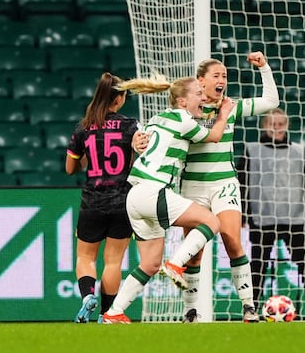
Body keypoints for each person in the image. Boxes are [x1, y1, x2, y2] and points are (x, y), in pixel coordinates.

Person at [101, 74, 235, 324]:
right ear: (183, 102)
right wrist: (224, 112)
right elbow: (214, 136)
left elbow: (144, 145)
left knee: (150, 264)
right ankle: (176, 264)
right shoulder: (183, 119)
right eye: (198, 93)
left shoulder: (157, 119)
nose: (203, 97)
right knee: (211, 222)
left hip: (135, 195)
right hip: (154, 190)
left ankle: (113, 312)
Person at [178, 51, 280, 323]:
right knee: (194, 251)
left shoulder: (231, 106)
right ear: (201, 80)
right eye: (216, 75)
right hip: (193, 187)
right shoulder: (188, 110)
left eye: (224, 75)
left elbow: (271, 101)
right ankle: (190, 310)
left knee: (233, 240)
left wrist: (264, 68)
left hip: (224, 184)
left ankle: (248, 306)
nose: (222, 79)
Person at [66, 72, 149, 323]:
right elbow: (137, 161)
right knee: (113, 262)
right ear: (120, 98)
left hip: (92, 200)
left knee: (85, 257)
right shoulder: (131, 125)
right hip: (122, 200)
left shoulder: (84, 127)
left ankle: (87, 296)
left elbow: (71, 168)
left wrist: (87, 159)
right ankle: (107, 313)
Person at [236, 108, 305, 320]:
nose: (277, 127)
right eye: (273, 123)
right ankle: (251, 310)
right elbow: (242, 183)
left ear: (287, 125)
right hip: (262, 217)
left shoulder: (298, 151)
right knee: (258, 266)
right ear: (265, 125)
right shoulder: (252, 149)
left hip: (293, 217)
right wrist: (243, 215)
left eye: (281, 123)